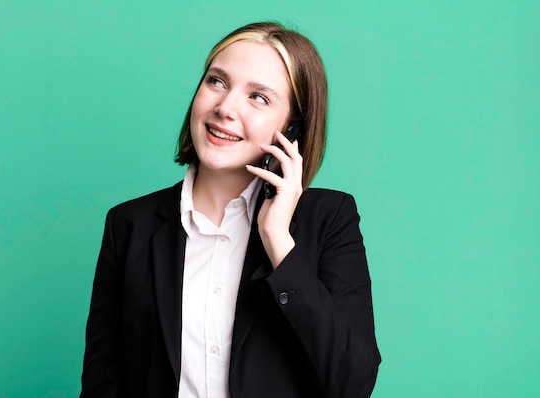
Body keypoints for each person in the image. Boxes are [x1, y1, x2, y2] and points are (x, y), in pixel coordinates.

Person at [80, 21, 381, 398]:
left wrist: (279, 244)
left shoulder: (329, 219)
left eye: (259, 97)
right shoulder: (129, 225)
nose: (225, 107)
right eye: (217, 81)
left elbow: (352, 383)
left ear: (292, 129)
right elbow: (103, 384)